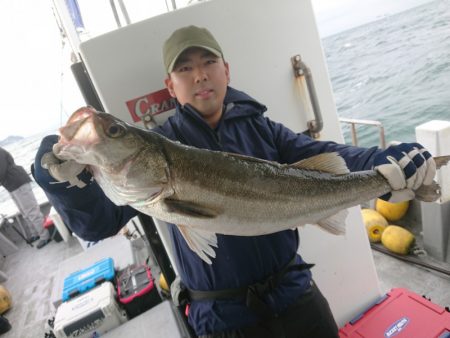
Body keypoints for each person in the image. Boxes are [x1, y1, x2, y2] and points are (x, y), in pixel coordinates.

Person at [33, 26, 436, 337]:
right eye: (184, 68)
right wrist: (62, 182)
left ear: (226, 71)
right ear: (170, 86)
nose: (200, 75)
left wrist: (386, 161)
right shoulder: (162, 148)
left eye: (208, 62)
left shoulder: (263, 129)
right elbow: (97, 223)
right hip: (223, 318)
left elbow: (333, 158)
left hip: (296, 293)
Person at [0, 147, 51, 249]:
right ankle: (35, 234)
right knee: (25, 213)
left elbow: (1, 170)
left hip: (17, 182)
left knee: (32, 211)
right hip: (11, 185)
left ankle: (45, 236)